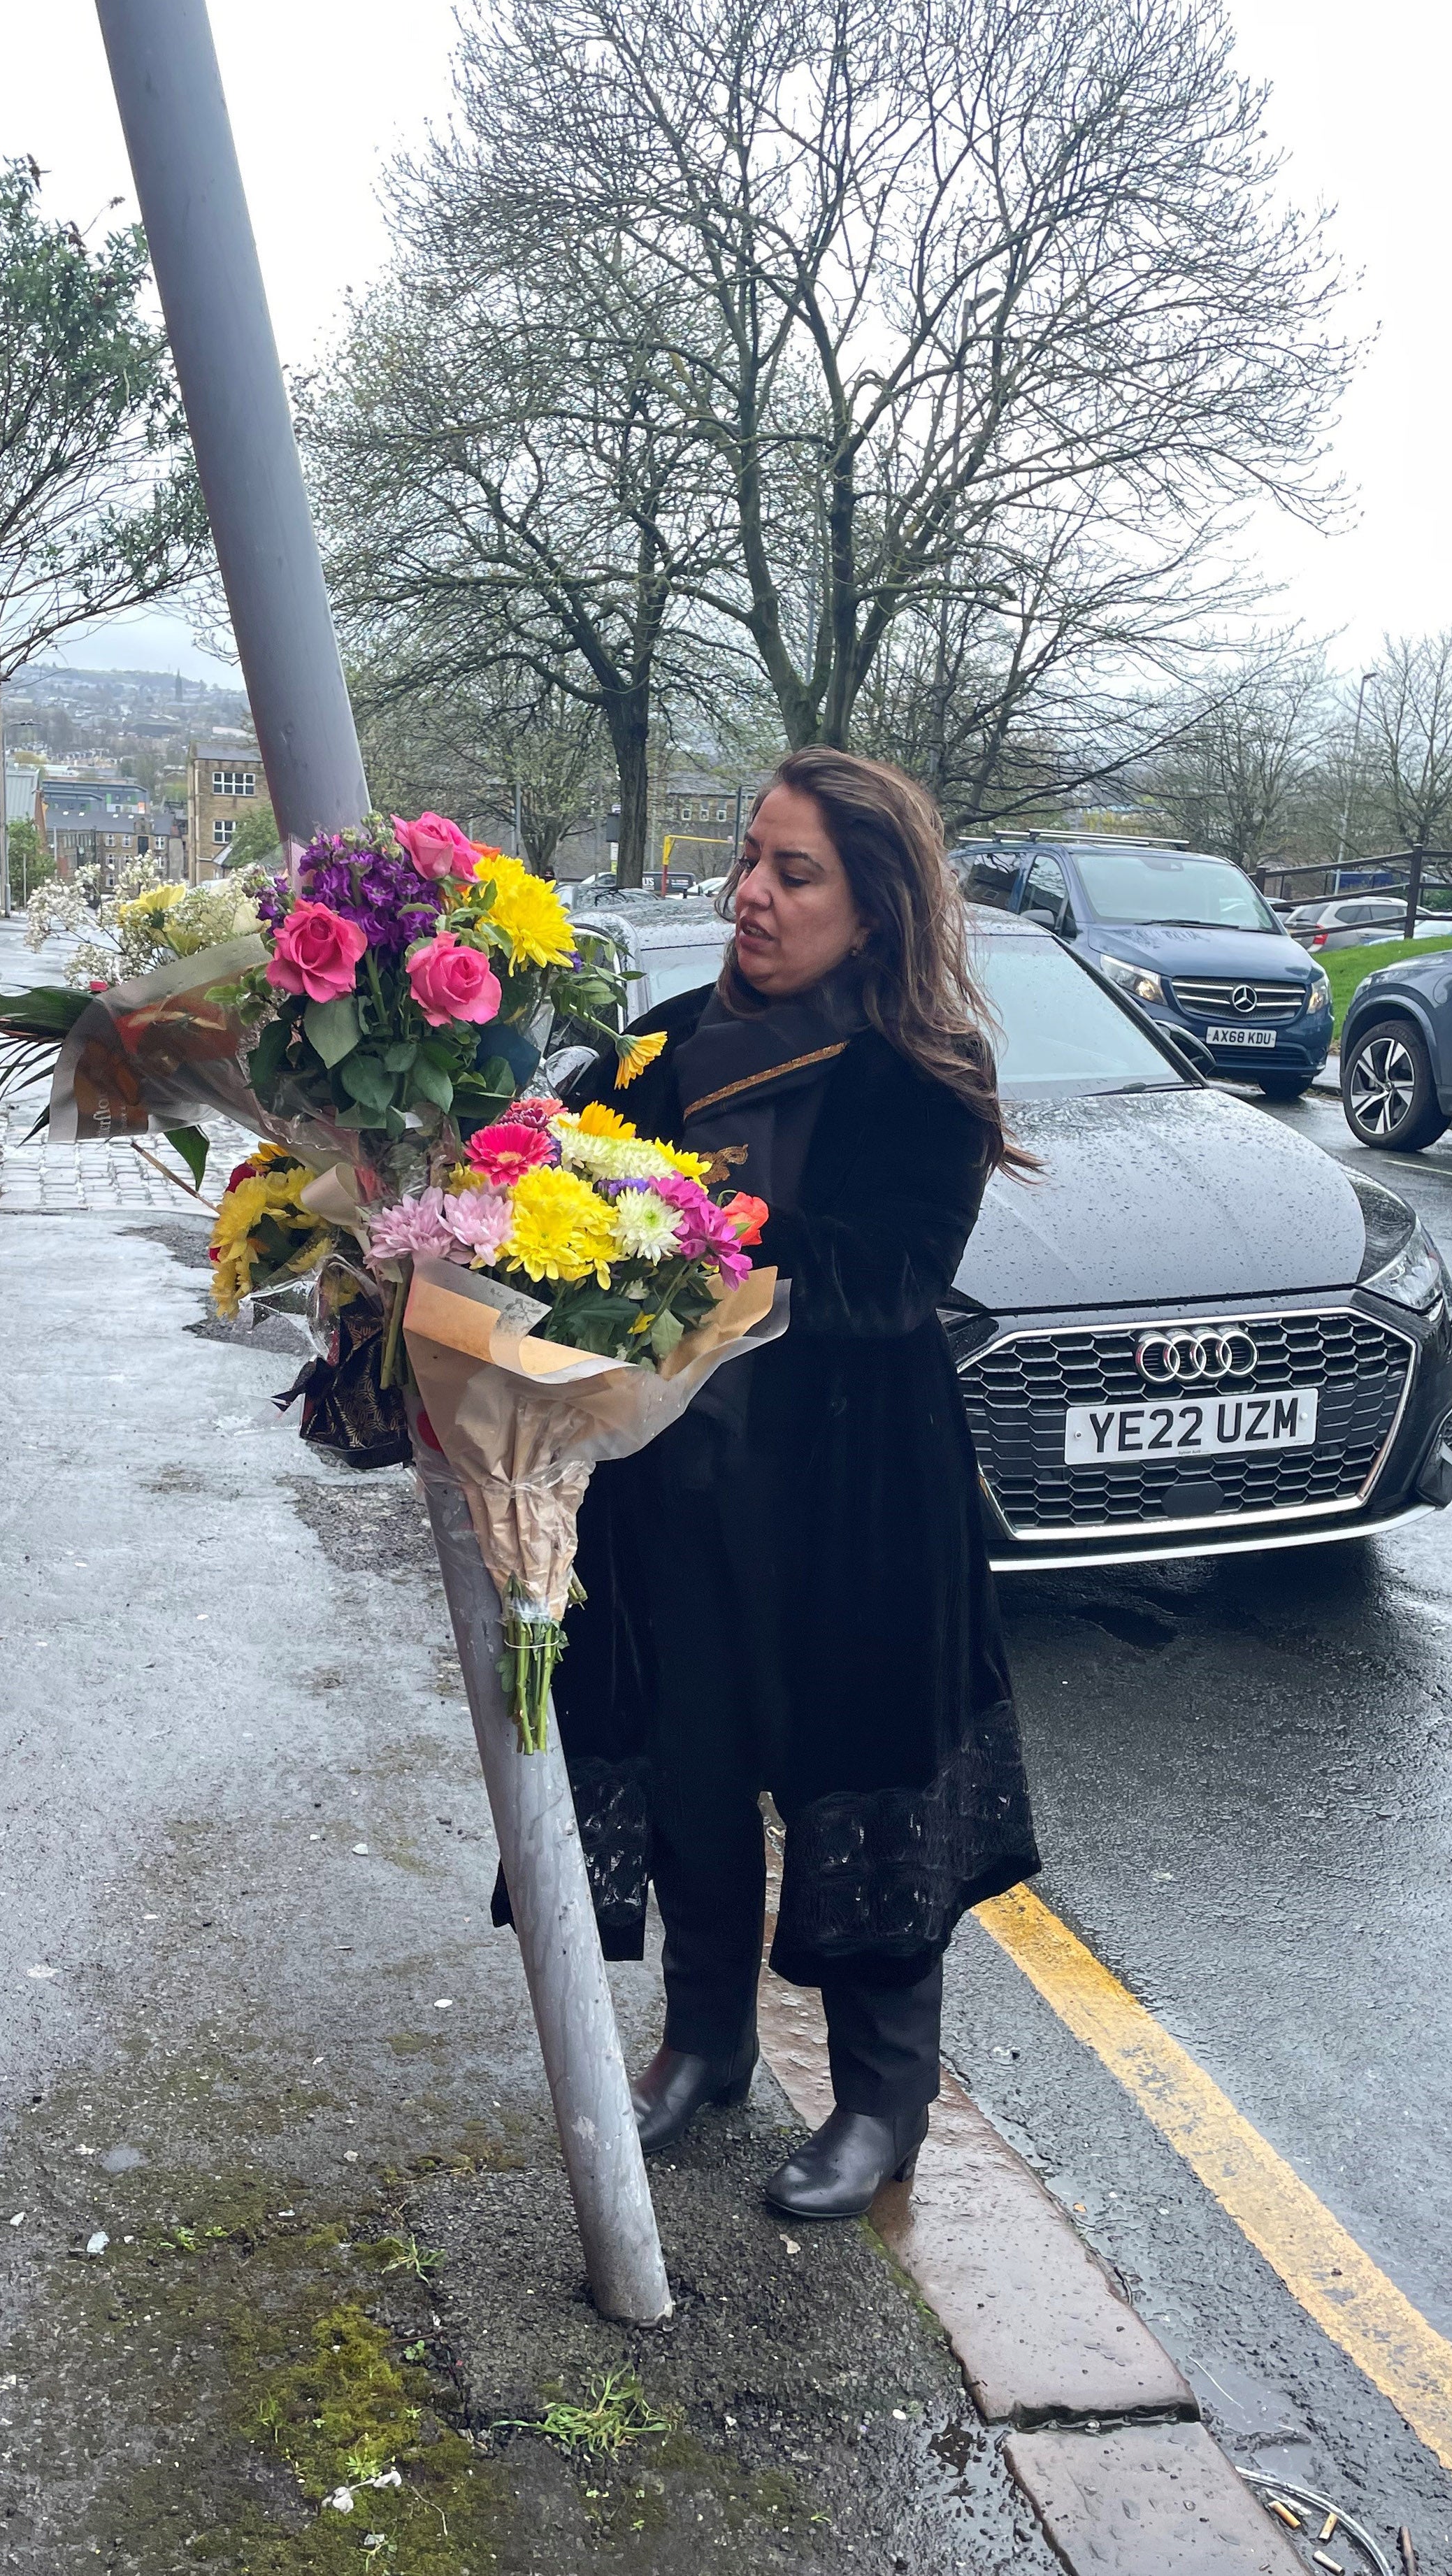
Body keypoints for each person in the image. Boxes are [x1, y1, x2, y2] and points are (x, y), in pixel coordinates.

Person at [522, 746, 1040, 2219]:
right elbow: (550, 1231)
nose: (750, 893)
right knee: (688, 1769)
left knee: (855, 1780)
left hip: (851, 1501)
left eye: (792, 871)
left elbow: (884, 1281)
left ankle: (884, 2100)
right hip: (670, 1489)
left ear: (872, 905)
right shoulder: (653, 1049)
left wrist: (681, 1227)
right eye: (747, 859)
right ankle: (704, 2046)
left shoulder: (920, 1074)